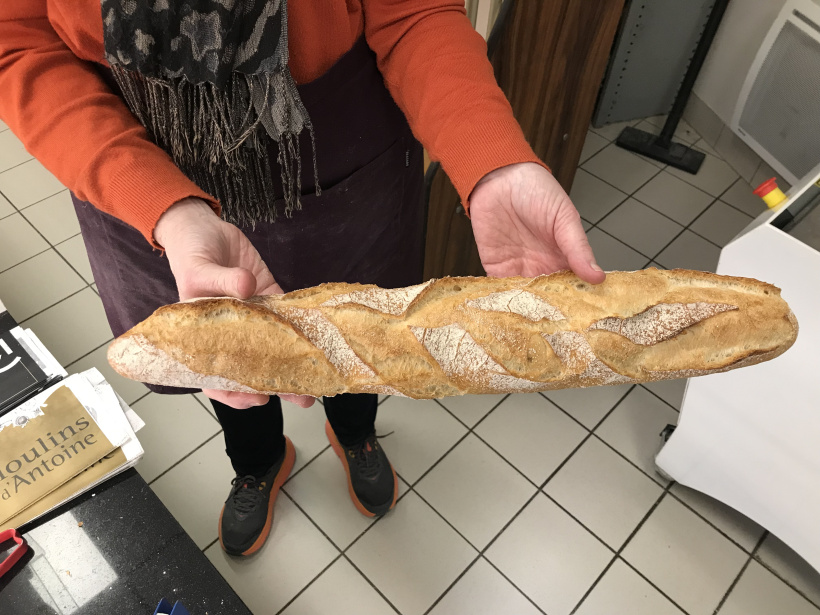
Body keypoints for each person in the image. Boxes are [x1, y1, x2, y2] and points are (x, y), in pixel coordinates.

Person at [0, 0, 604, 557]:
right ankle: (258, 462)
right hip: (133, 161)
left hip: (335, 141)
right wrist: (164, 207)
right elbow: (17, 41)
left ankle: (357, 433)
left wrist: (490, 157)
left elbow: (414, 10)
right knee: (229, 357)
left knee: (359, 336)